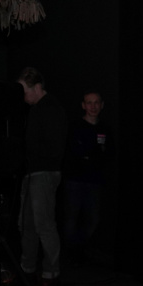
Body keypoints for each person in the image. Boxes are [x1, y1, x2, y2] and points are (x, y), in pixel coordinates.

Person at [17, 67, 67, 286]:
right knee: (27, 224)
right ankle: (27, 271)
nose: (23, 96)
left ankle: (51, 274)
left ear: (37, 87)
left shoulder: (51, 109)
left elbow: (54, 148)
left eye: (25, 91)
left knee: (44, 224)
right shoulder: (36, 109)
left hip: (44, 173)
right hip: (32, 173)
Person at [61, 90, 110, 266]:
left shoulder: (104, 128)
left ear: (102, 105)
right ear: (83, 105)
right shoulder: (75, 126)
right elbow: (74, 153)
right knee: (71, 218)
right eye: (89, 102)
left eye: (96, 102)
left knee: (93, 219)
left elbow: (106, 155)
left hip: (95, 181)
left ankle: (79, 250)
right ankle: (68, 256)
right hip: (75, 181)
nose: (93, 106)